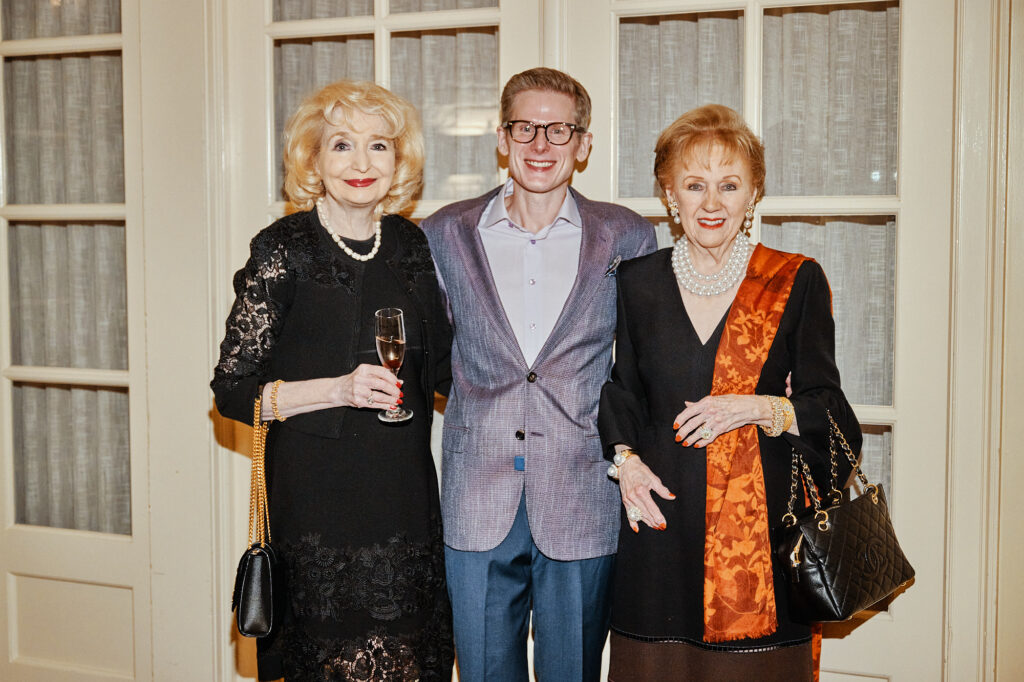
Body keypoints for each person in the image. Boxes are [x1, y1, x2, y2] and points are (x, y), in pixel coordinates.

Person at [598, 104, 862, 681]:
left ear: (753, 193)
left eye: (729, 185)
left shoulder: (795, 279)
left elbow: (833, 415)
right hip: (659, 533)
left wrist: (756, 406)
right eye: (694, 185)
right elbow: (623, 393)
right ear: (670, 195)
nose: (711, 203)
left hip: (759, 547)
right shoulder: (638, 282)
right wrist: (626, 465)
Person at [211, 80, 453, 681]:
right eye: (342, 145)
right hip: (316, 510)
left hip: (403, 502)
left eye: (379, 146)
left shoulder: (410, 244)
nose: (362, 164)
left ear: (399, 160)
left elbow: (446, 368)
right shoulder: (282, 248)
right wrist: (336, 390)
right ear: (313, 159)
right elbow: (234, 390)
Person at [420, 67, 657, 681]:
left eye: (559, 130)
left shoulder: (627, 235)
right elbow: (429, 358)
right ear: (502, 137)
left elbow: (643, 362)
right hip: (477, 497)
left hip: (583, 494)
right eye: (525, 127)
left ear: (583, 145)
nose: (541, 145)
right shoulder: (445, 232)